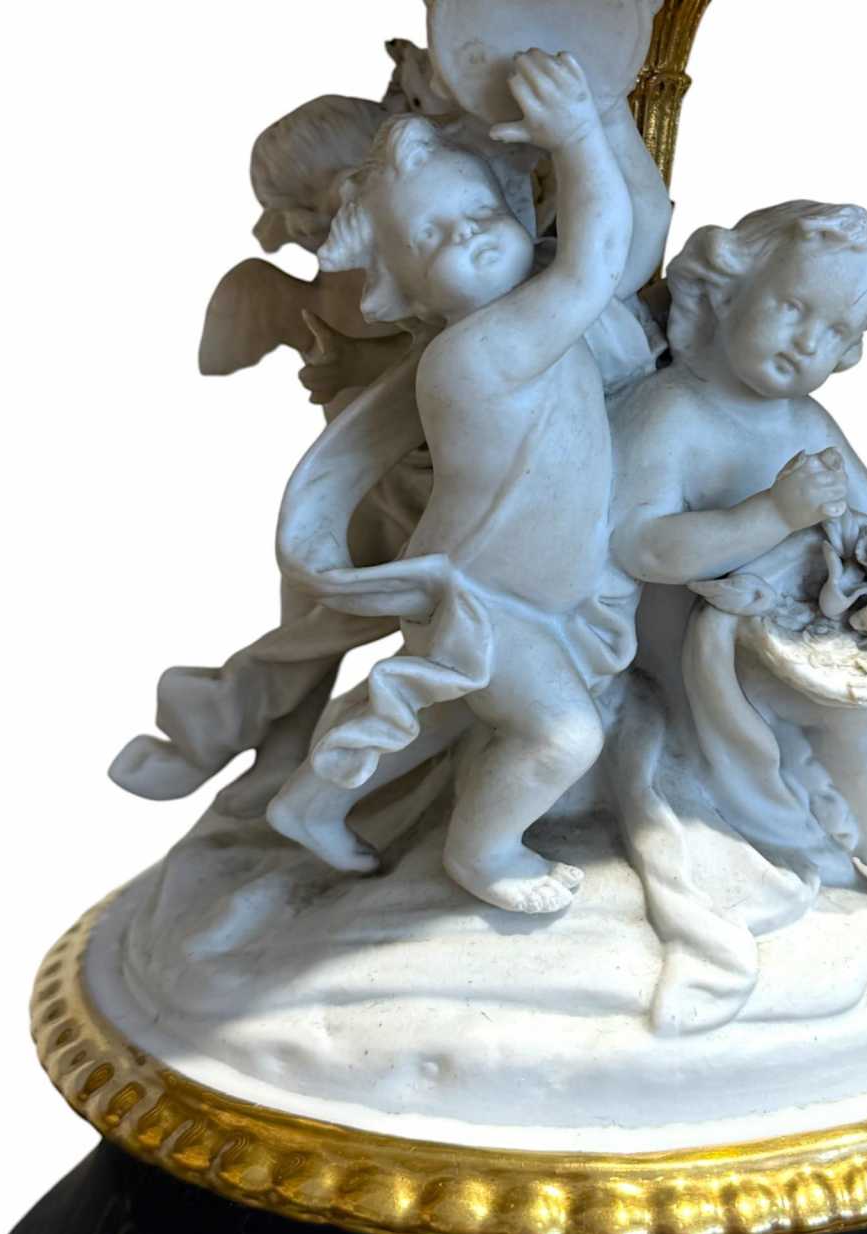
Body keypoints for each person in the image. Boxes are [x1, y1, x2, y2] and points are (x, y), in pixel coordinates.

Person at [268, 51, 657, 915]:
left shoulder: (519, 321)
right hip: (488, 598)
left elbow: (609, 262)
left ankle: (310, 802)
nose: (470, 236)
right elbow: (596, 260)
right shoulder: (478, 352)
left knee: (435, 708)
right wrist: (577, 136)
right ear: (401, 287)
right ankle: (484, 853)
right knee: (561, 735)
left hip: (520, 588)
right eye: (434, 239)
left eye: (480, 213)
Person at [611, 201, 867, 892]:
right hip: (694, 644)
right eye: (792, 306)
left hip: (796, 628)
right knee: (852, 705)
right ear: (726, 292)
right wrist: (773, 514)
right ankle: (853, 825)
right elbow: (643, 548)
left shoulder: (805, 420)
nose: (808, 342)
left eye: (836, 329)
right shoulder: (671, 414)